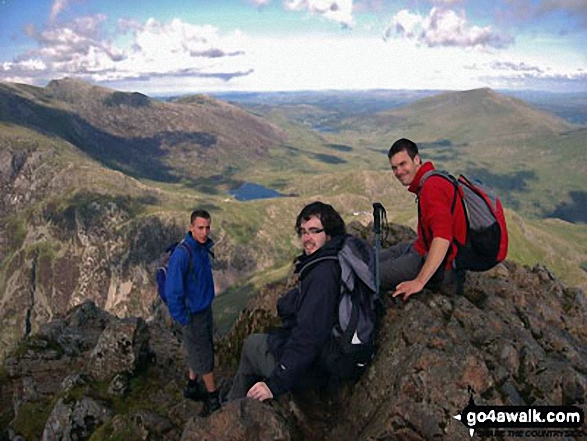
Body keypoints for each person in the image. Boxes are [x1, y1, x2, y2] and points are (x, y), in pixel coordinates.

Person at [227, 201, 346, 402]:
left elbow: (308, 337)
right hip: (323, 358)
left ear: (330, 234)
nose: (307, 238)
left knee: (251, 345)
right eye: (303, 232)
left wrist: (275, 384)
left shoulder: (323, 276)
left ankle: (234, 407)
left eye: (314, 231)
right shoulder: (333, 258)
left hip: (314, 370)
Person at [381, 138, 467, 301]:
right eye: (394, 167)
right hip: (422, 248)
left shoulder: (432, 188)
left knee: (369, 274)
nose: (398, 172)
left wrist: (419, 281)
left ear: (416, 159)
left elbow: (442, 238)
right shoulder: (431, 180)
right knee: (373, 257)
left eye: (403, 164)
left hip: (444, 267)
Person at [165, 209, 220, 416]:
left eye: (207, 227)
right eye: (200, 228)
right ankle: (213, 397)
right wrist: (183, 318)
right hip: (193, 314)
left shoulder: (201, 248)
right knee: (205, 355)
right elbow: (173, 291)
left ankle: (191, 385)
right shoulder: (182, 254)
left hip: (203, 309)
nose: (204, 232)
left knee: (197, 350)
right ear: (191, 227)